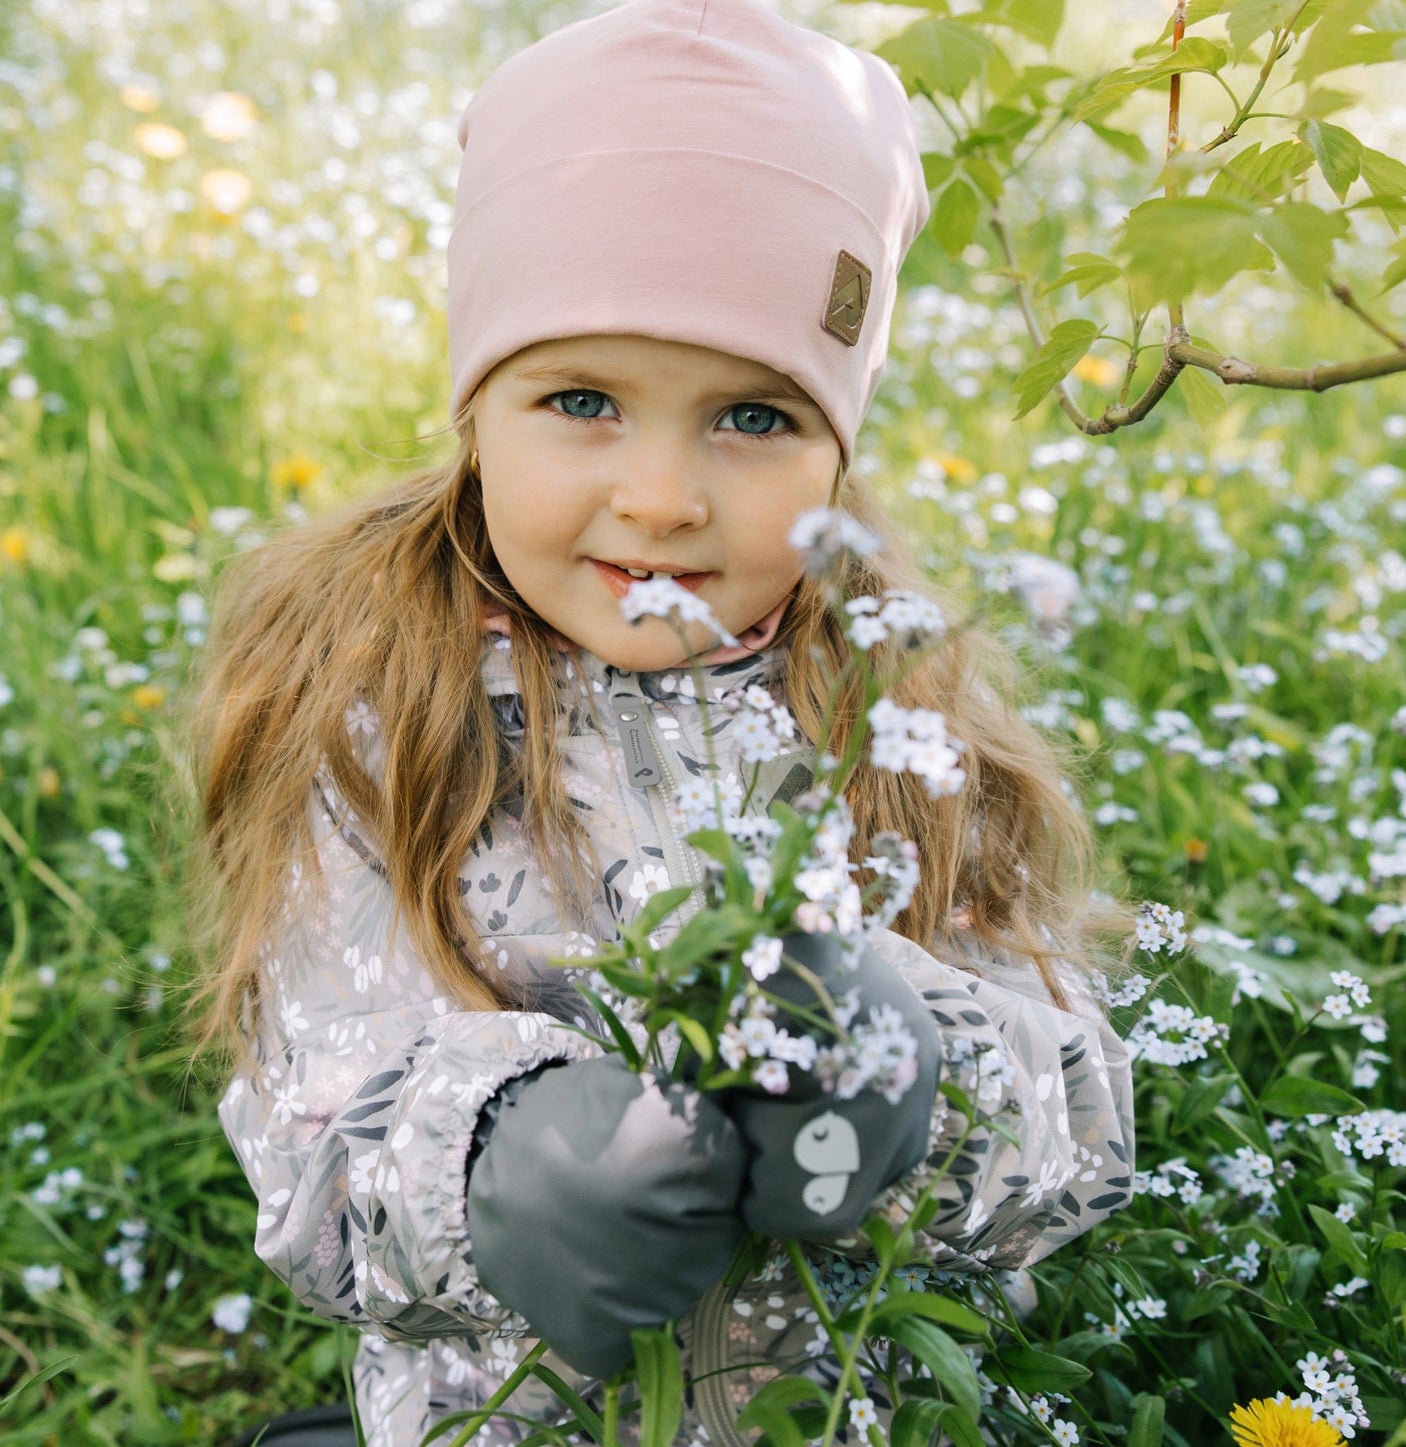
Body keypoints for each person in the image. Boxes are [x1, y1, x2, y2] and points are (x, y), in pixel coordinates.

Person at [183, 2, 1138, 1443]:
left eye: (751, 418)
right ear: (475, 409)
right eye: (581, 400)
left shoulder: (900, 720)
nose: (662, 496)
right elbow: (313, 1138)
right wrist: (498, 1161)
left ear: (837, 438)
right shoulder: (375, 712)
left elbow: (1084, 1132)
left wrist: (915, 1083)